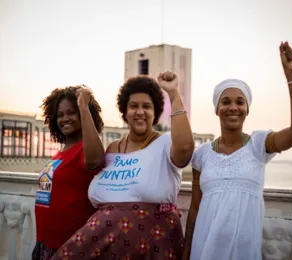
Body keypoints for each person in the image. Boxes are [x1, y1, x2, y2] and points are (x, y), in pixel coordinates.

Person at [182, 42, 292, 260]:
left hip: (244, 252)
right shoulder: (202, 154)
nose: (233, 107)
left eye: (240, 102)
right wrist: (185, 254)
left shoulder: (259, 144)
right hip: (205, 249)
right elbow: (194, 211)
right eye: (226, 101)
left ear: (247, 109)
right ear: (217, 109)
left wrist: (291, 76)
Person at [51, 71, 194, 260]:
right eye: (133, 106)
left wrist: (173, 93)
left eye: (147, 107)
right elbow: (91, 162)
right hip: (103, 243)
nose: (140, 112)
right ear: (125, 113)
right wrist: (83, 107)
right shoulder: (113, 148)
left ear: (156, 113)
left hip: (153, 245)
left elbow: (185, 149)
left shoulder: (165, 144)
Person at [32, 86, 105, 260]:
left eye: (72, 112)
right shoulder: (62, 152)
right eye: (60, 115)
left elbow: (96, 160)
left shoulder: (84, 150)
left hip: (70, 246)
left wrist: (84, 105)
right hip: (45, 242)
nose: (65, 119)